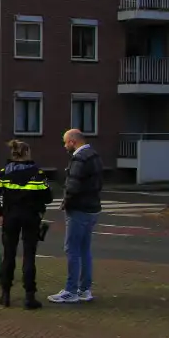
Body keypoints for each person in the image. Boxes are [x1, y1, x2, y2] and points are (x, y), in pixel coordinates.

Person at [0, 140, 52, 310]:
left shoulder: (3, 172)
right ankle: (29, 297)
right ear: (27, 153)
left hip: (10, 217)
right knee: (29, 256)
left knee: (8, 255)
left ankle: (5, 294)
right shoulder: (37, 173)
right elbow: (48, 197)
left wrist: (1, 212)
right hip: (31, 217)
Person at [49, 129, 103, 304]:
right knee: (85, 250)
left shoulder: (79, 158)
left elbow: (72, 185)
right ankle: (84, 289)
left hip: (78, 209)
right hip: (92, 208)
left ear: (73, 141)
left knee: (72, 249)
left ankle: (71, 290)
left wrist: (66, 202)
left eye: (66, 142)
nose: (65, 146)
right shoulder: (94, 155)